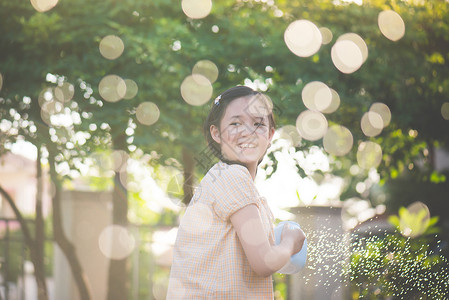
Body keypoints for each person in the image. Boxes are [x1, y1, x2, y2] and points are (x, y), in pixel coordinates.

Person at [166, 86, 306, 299]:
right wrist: (289, 243)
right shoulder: (232, 176)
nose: (247, 131)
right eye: (235, 123)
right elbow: (264, 262)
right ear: (216, 133)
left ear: (270, 135)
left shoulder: (224, 180)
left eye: (258, 123)